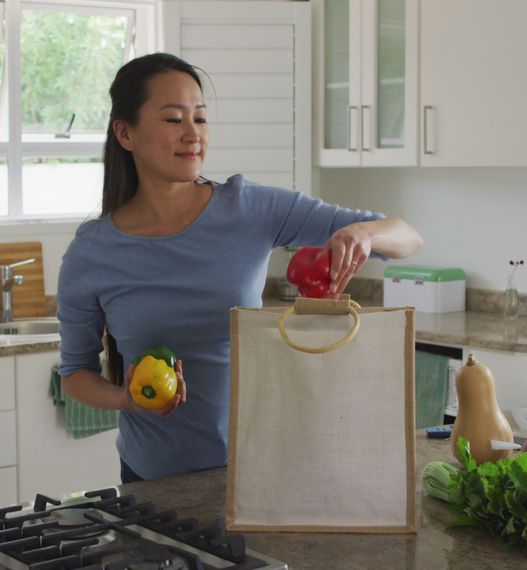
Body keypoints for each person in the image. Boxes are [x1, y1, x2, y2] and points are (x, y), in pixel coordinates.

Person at [57, 53, 423, 484]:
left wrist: (364, 233)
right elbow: (76, 374)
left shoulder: (249, 209)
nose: (193, 134)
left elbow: (407, 236)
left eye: (201, 118)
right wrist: (128, 400)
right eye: (174, 119)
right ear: (125, 133)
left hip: (260, 470)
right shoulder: (93, 252)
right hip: (152, 479)